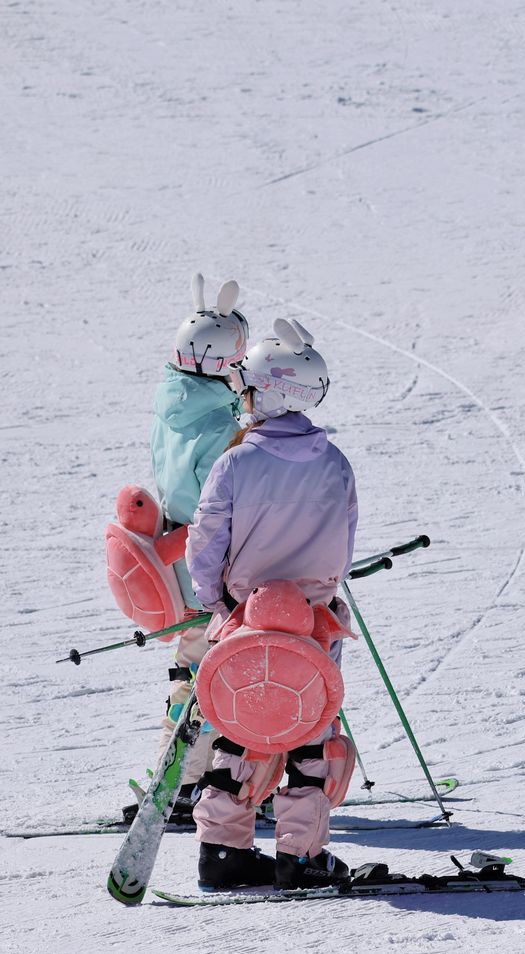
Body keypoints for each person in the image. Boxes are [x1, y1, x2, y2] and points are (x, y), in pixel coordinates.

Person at [186, 317, 358, 891]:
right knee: (309, 728)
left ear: (272, 392)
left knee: (240, 726)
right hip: (312, 625)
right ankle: (301, 856)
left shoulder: (236, 462)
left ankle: (223, 851)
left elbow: (206, 541)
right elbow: (343, 543)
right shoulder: (335, 464)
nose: (245, 399)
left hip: (245, 619)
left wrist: (215, 602)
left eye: (251, 389)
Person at [124, 273, 248, 823]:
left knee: (190, 662)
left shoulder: (168, 405)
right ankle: (186, 784)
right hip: (209, 556)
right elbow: (222, 499)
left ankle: (174, 776)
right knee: (215, 667)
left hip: (175, 546)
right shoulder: (221, 424)